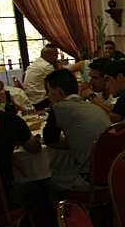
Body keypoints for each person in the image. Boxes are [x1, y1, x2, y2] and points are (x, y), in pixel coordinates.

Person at [42, 69, 111, 204]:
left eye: (48, 91)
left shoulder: (59, 109)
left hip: (89, 180)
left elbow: (49, 140)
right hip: (112, 175)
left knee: (48, 181)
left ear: (58, 91)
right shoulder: (94, 107)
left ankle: (65, 216)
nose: (48, 96)